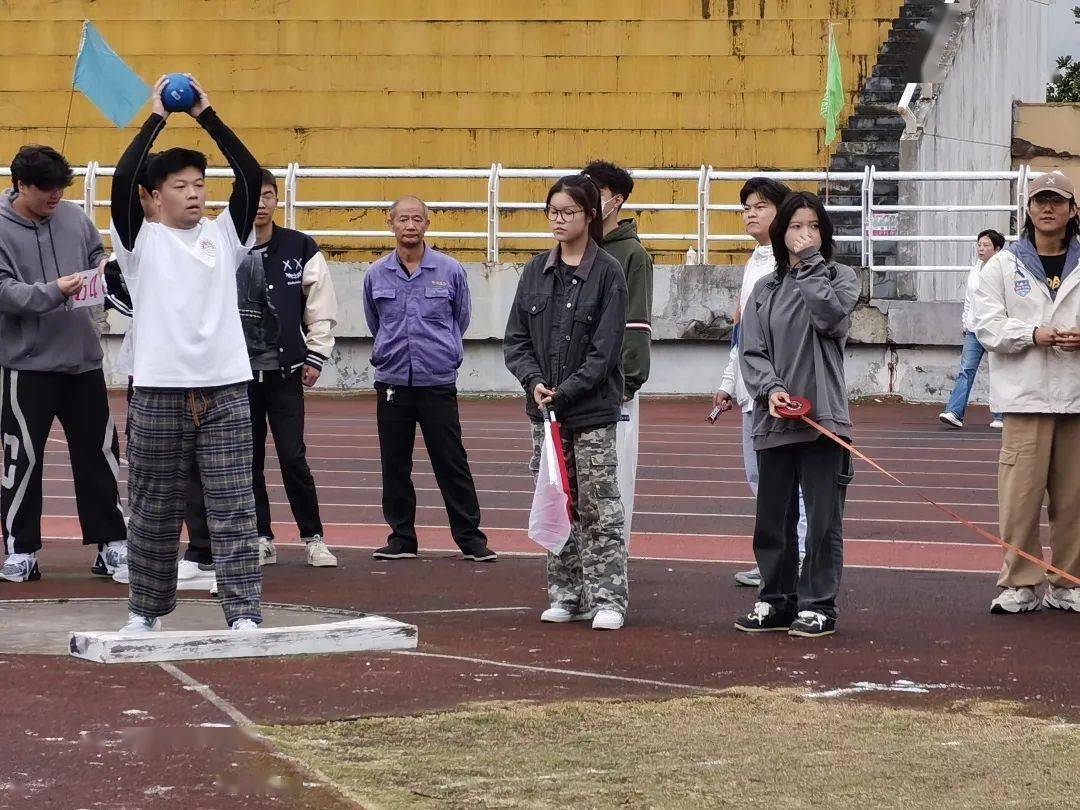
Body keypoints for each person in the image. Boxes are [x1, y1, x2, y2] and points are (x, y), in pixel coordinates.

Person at [109, 74, 263, 632]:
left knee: (233, 506)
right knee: (153, 510)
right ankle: (145, 612)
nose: (194, 193)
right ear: (154, 197)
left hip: (224, 387)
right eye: (179, 185)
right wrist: (156, 116)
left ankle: (243, 612)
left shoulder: (224, 236)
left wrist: (207, 114)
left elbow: (251, 175)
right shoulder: (138, 241)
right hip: (157, 389)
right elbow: (124, 177)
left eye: (199, 183)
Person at [191, 168, 338, 569]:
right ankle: (261, 536)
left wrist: (316, 355)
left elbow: (320, 307)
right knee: (247, 459)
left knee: (293, 456)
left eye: (268, 194)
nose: (261, 203)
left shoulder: (300, 247)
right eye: (253, 195)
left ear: (278, 199)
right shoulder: (218, 245)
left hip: (286, 372)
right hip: (235, 376)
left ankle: (313, 537)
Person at [504, 174, 629, 630]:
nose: (559, 220)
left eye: (568, 212)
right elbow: (515, 341)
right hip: (545, 413)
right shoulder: (535, 271)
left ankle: (608, 599)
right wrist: (534, 382)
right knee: (556, 501)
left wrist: (567, 391)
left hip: (590, 412)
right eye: (553, 212)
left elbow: (606, 350)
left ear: (589, 214)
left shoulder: (608, 273)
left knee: (598, 505)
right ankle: (566, 592)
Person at [0, 144, 128, 583]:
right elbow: (5, 293)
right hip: (26, 366)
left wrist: (104, 271)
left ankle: (111, 544)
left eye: (60, 188)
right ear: (20, 185)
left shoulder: (74, 217)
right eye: (46, 189)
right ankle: (21, 550)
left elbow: (96, 257)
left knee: (99, 454)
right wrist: (56, 289)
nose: (55, 197)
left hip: (83, 361)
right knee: (22, 460)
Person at [735, 192, 858, 638]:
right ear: (781, 233)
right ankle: (775, 599)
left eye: (813, 227)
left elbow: (831, 320)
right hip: (774, 419)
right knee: (773, 516)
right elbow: (751, 351)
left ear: (824, 234)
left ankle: (819, 604)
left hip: (824, 420)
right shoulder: (764, 289)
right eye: (795, 227)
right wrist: (771, 389)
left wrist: (809, 267)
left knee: (823, 520)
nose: (804, 235)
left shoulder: (841, 278)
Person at [362, 196, 496, 562]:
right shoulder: (376, 274)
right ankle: (401, 538)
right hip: (392, 380)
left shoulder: (449, 270)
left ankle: (471, 539)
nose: (410, 225)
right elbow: (375, 322)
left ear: (427, 224)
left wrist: (442, 348)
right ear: (390, 224)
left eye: (416, 219)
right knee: (395, 463)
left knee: (451, 461)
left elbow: (461, 317)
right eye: (403, 219)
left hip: (436, 380)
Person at [973, 170, 1080, 615]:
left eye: (1057, 200)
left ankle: (1068, 582)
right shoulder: (1002, 264)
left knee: (1074, 500)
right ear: (1028, 210)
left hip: (1076, 398)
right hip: (1024, 398)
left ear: (1073, 210)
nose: (1048, 208)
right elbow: (986, 325)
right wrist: (1032, 334)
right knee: (1019, 498)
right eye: (1040, 201)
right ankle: (1019, 581)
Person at [714, 178, 807, 589]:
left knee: (789, 481)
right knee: (761, 481)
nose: (751, 213)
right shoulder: (755, 260)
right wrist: (728, 383)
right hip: (752, 394)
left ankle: (798, 556)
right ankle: (776, 556)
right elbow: (743, 333)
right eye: (746, 207)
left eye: (761, 205)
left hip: (780, 393)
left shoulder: (792, 263)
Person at [581, 160, 653, 543]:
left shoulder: (631, 255)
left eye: (597, 192)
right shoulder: (575, 249)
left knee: (614, 476)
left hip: (613, 386)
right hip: (573, 386)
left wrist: (629, 380)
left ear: (617, 201)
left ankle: (614, 556)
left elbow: (637, 322)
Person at [938, 229, 1005, 430]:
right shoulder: (975, 268)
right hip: (974, 330)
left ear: (997, 249)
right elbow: (969, 298)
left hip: (995, 328)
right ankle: (954, 412)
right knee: (966, 370)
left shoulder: (1004, 270)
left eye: (986, 245)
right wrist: (965, 322)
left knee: (999, 371)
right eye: (979, 244)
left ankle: (1000, 415)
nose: (981, 249)